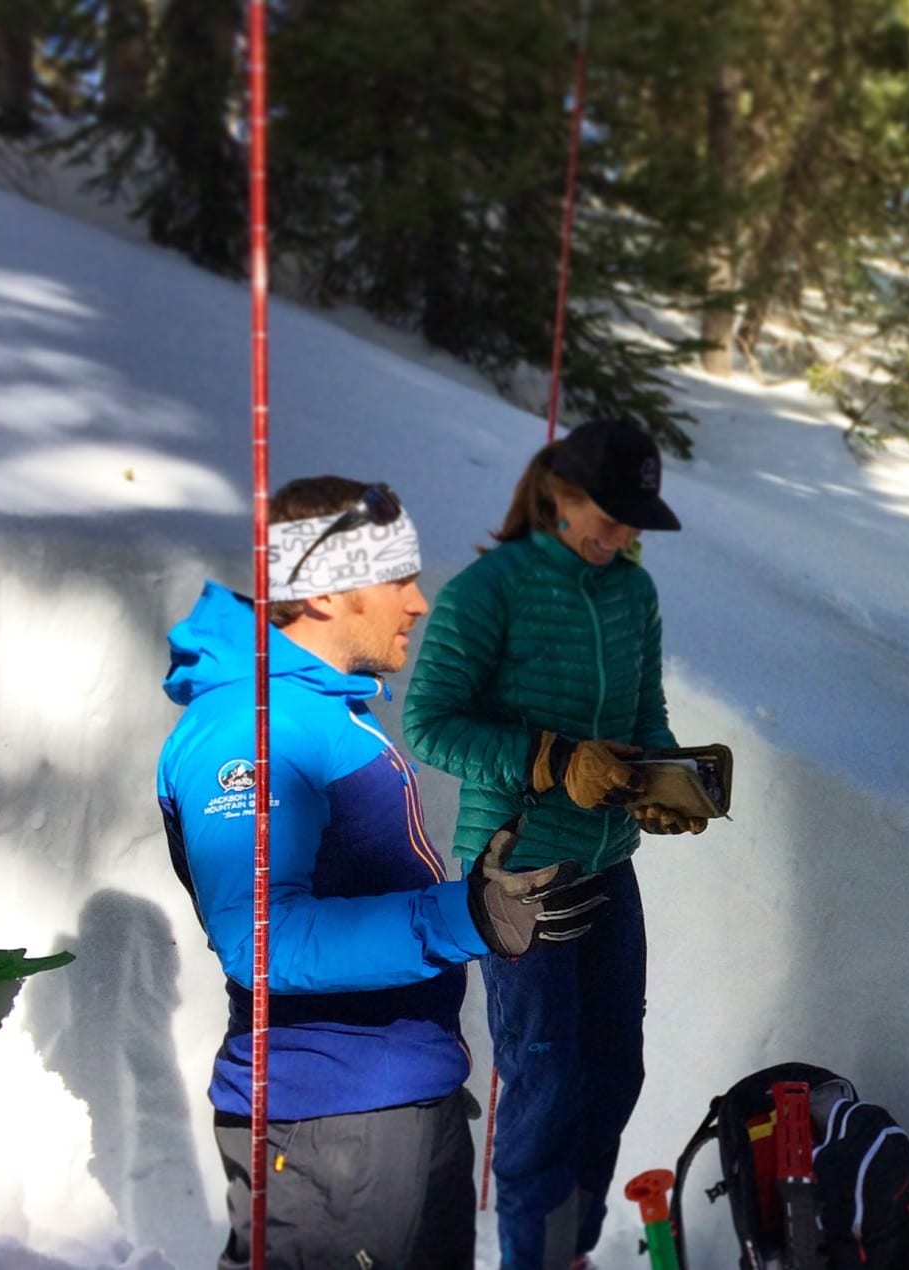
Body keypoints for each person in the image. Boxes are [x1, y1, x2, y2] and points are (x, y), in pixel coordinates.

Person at [157, 476, 606, 1269]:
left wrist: (482, 902)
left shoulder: (326, 712)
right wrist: (462, 918)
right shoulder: (251, 728)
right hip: (327, 1123)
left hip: (396, 1105)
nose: (418, 603)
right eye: (396, 579)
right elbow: (264, 942)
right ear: (326, 596)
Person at [403, 419, 703, 1270]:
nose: (621, 536)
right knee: (543, 1084)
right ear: (559, 498)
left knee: (614, 1074)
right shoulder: (488, 591)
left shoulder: (632, 595)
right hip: (519, 869)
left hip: (608, 865)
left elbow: (644, 719)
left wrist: (662, 787)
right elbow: (430, 724)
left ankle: (567, 1251)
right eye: (607, 517)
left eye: (633, 520)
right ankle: (530, 1258)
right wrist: (547, 760)